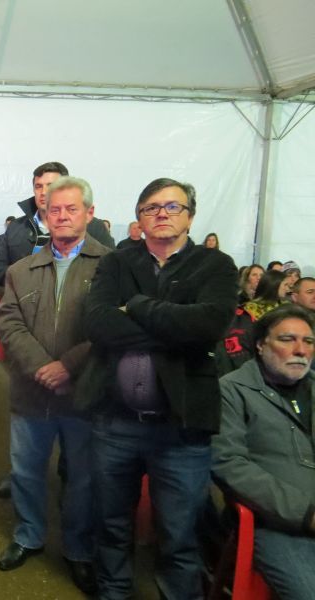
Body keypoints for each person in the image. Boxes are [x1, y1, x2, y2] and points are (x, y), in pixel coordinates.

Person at [79, 177, 237, 598]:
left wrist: (136, 306)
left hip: (181, 428)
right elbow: (97, 324)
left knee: (180, 534)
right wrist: (175, 329)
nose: (162, 214)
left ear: (190, 216)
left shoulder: (215, 265)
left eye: (172, 206)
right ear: (140, 218)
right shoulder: (117, 262)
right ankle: (113, 590)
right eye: (151, 208)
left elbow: (207, 327)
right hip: (116, 422)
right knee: (111, 523)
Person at [0, 176, 108, 595]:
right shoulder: (21, 270)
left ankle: (78, 548)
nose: (61, 216)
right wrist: (43, 367)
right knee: (26, 471)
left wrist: (68, 366)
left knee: (82, 477)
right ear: (44, 215)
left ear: (89, 213)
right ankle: (29, 535)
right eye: (53, 210)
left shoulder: (111, 266)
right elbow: (9, 323)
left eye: (71, 209)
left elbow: (111, 325)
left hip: (85, 393)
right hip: (31, 391)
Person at [212, 305, 315, 600]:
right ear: (260, 345)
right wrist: (307, 513)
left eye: (308, 341)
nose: (301, 350)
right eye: (287, 339)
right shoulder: (232, 390)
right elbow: (228, 464)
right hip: (277, 522)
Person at [0, 162, 114, 288]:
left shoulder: (94, 226)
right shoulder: (16, 227)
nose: (43, 192)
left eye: (51, 185)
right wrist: (24, 279)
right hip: (22, 296)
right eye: (38, 186)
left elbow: (112, 269)